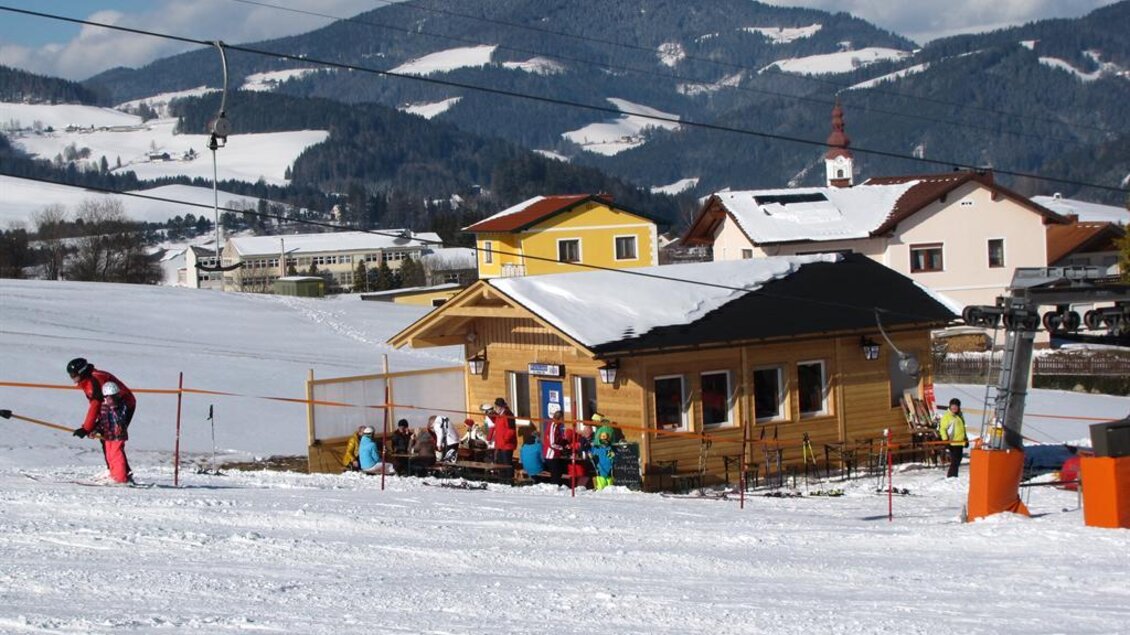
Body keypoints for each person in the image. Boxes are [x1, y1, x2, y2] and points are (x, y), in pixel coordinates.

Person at [68, 358, 136, 484]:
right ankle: (113, 470)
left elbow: (96, 404)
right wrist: (95, 427)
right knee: (105, 437)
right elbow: (99, 406)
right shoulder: (87, 381)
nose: (73, 379)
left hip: (122, 408)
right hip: (109, 411)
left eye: (74, 375)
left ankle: (123, 475)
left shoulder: (95, 379)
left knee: (113, 439)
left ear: (82, 372)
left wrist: (87, 428)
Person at [938, 398, 969, 478]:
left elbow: (962, 428)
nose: (954, 408)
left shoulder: (959, 416)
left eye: (956, 406)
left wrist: (965, 439)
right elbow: (942, 429)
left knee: (958, 460)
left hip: (960, 441)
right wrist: (945, 440)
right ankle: (951, 477)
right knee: (955, 461)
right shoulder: (947, 416)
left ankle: (954, 476)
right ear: (950, 406)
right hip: (952, 442)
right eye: (952, 406)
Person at [486, 397, 516, 476]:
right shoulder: (499, 415)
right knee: (500, 465)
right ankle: (503, 480)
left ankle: (509, 480)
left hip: (506, 445)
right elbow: (496, 421)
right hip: (500, 444)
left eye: (496, 407)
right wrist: (490, 415)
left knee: (507, 465)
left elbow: (511, 430)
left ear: (500, 406)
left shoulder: (508, 414)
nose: (495, 408)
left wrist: (504, 439)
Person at [542, 409, 568, 486]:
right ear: (559, 418)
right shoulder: (553, 426)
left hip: (556, 454)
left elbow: (557, 439)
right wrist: (562, 448)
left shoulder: (557, 426)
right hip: (551, 455)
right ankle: (554, 489)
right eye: (562, 418)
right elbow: (552, 443)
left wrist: (564, 442)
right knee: (555, 475)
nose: (563, 420)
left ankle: (557, 487)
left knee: (559, 472)